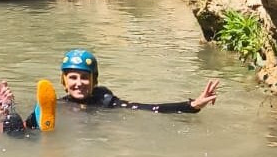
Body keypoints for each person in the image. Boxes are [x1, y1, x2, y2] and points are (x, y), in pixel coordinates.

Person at [57, 48, 219, 113]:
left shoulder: (106, 102)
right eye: (72, 77)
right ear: (64, 81)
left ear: (94, 80)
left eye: (85, 77)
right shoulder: (57, 105)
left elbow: (150, 109)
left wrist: (192, 105)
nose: (79, 83)